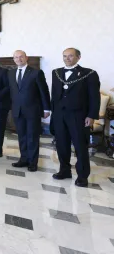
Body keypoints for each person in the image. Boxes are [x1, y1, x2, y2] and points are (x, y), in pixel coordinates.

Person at [51, 48, 100, 187]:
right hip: (59, 115)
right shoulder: (56, 72)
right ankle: (64, 170)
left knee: (80, 146)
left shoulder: (89, 74)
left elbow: (94, 97)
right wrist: (53, 113)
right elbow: (54, 94)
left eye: (70, 56)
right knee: (61, 144)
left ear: (78, 57)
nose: (67, 58)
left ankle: (82, 176)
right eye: (65, 56)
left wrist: (91, 115)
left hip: (78, 115)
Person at [8, 50, 50, 172]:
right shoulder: (11, 73)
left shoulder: (36, 72)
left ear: (26, 58)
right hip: (17, 110)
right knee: (22, 136)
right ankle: (23, 159)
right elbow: (12, 91)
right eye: (16, 57)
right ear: (14, 59)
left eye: (21, 57)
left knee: (32, 137)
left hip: (33, 110)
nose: (19, 59)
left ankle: (32, 162)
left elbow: (44, 91)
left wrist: (46, 108)